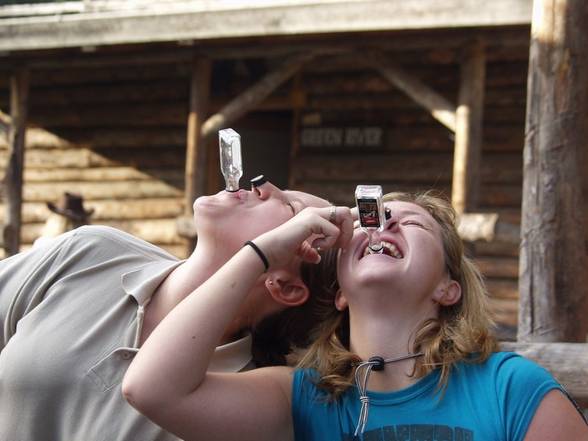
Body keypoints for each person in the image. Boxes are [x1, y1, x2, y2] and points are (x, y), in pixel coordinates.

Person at [123, 191, 588, 441]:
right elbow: (150, 390)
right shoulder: (299, 397)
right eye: (373, 219)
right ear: (340, 292)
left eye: (410, 223)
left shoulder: (511, 389)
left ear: (449, 288)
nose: (382, 224)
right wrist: (261, 254)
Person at [0, 177, 331, 441]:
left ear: (285, 286)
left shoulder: (246, 401)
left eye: (289, 209)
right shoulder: (90, 252)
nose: (264, 185)